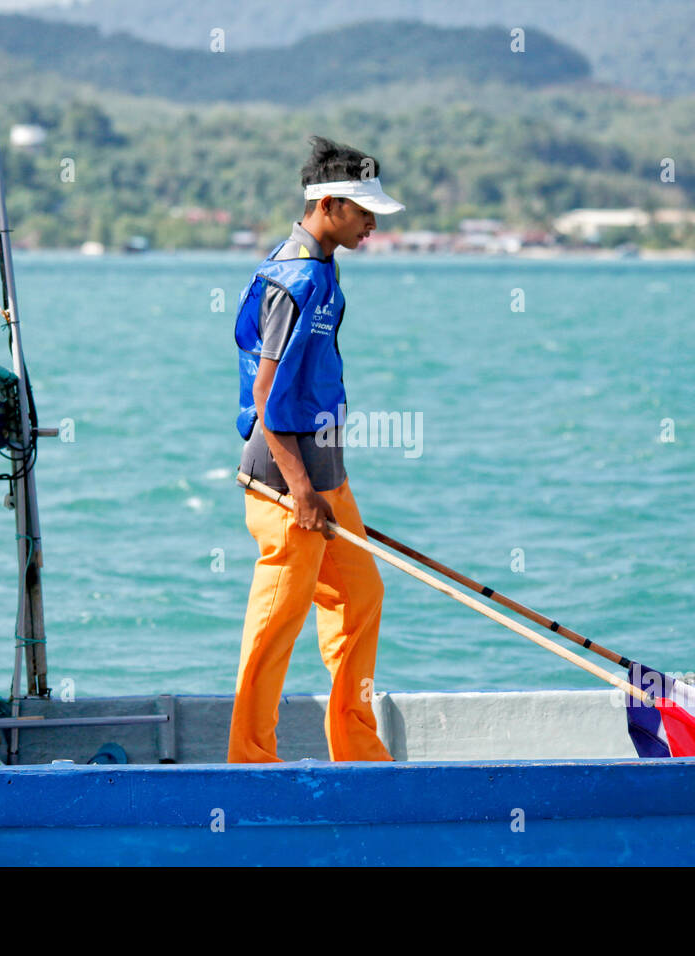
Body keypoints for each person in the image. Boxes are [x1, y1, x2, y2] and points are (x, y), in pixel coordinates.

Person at [229, 135, 405, 763]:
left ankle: (357, 750)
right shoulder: (295, 278)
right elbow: (267, 391)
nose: (371, 226)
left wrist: (327, 485)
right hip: (286, 483)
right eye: (365, 214)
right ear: (329, 205)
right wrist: (303, 490)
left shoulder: (323, 268)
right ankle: (250, 762)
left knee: (361, 597)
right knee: (277, 625)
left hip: (325, 476)